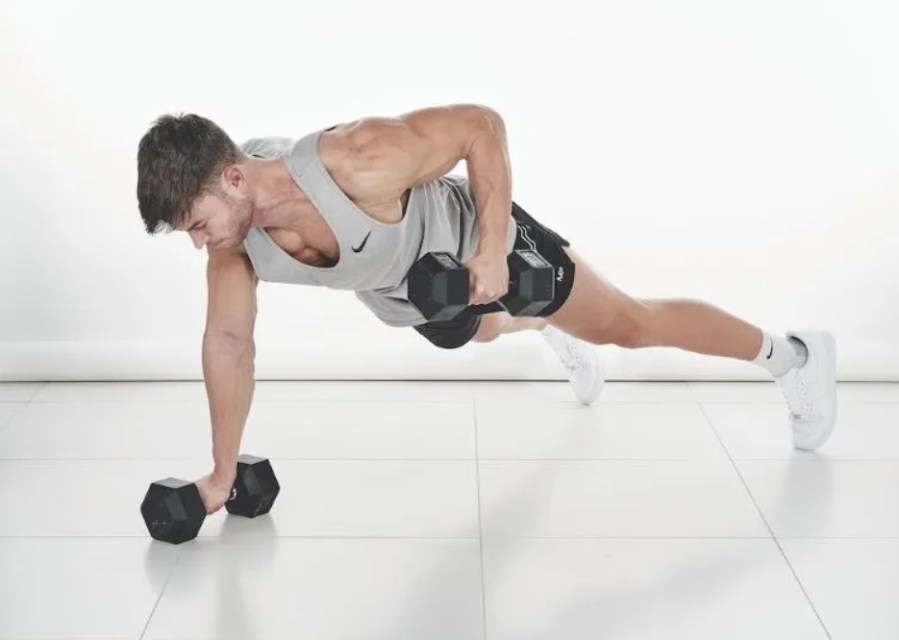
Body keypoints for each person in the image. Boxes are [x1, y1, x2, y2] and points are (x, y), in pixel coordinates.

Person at [136, 104, 837, 513]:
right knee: (480, 334)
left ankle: (793, 356)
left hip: (474, 244)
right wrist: (220, 475)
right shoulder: (232, 243)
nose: (198, 242)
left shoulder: (357, 159)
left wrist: (494, 250)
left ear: (233, 178)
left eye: (196, 223)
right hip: (414, 297)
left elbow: (481, 126)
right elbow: (228, 343)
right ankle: (547, 329)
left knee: (628, 324)